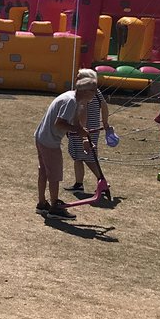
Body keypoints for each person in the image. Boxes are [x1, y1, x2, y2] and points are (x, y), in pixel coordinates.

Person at [35, 76, 98, 217]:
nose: (95, 94)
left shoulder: (74, 99)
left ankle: (42, 204)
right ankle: (54, 207)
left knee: (44, 171)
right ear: (85, 91)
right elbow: (59, 123)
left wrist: (84, 138)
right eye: (93, 91)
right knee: (54, 175)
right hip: (49, 141)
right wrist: (77, 130)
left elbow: (75, 122)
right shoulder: (70, 101)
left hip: (41, 136)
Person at [66, 69, 111, 193]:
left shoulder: (84, 93)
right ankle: (79, 183)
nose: (76, 78)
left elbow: (83, 111)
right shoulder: (96, 92)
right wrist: (105, 122)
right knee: (82, 157)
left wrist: (83, 134)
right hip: (93, 128)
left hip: (83, 128)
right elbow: (104, 106)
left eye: (78, 76)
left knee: (85, 157)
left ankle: (101, 181)